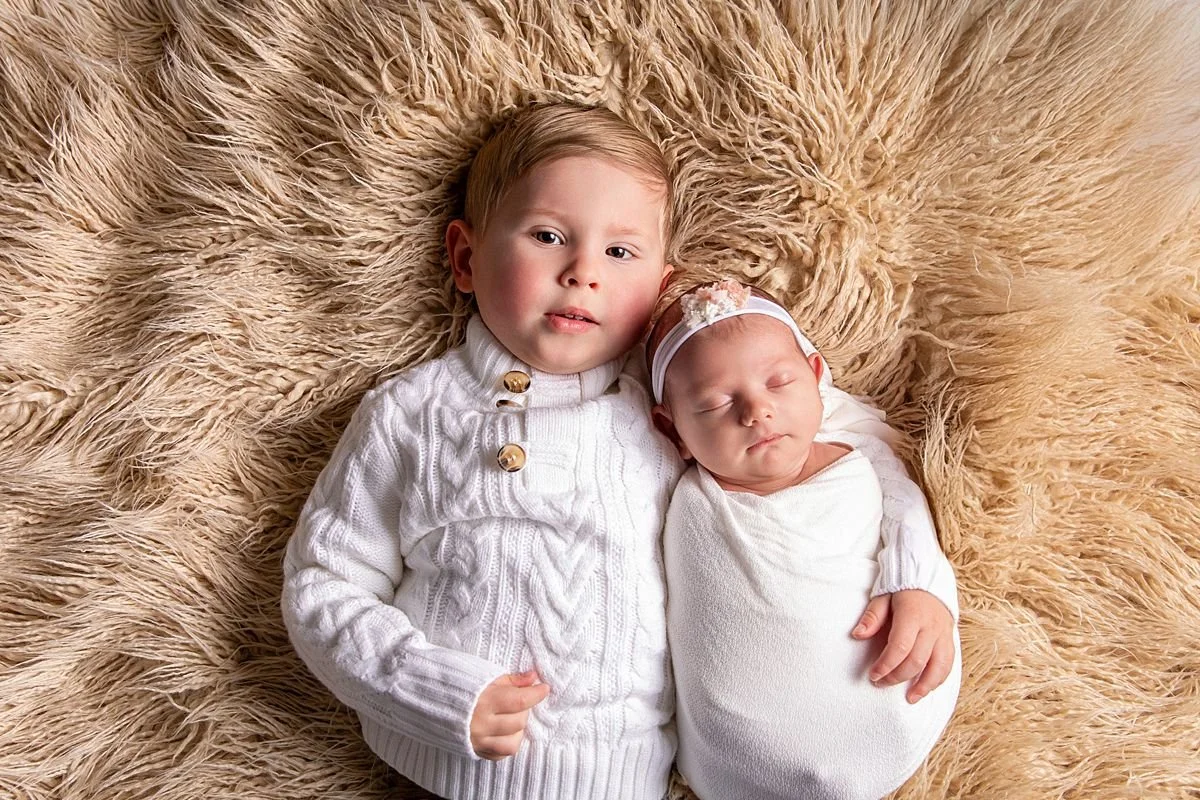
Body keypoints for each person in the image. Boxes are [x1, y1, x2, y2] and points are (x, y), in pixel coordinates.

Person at [282, 102, 954, 800]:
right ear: (465, 257)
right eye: (547, 236)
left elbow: (866, 441)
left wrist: (913, 576)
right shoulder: (413, 413)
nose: (582, 272)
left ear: (660, 285)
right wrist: (429, 688)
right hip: (448, 766)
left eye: (620, 252)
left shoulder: (682, 401)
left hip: (630, 776)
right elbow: (321, 584)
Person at [647, 279, 961, 800]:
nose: (756, 412)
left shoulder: (860, 459)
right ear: (672, 429)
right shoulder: (682, 498)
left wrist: (918, 588)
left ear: (816, 378)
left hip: (882, 700)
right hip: (740, 744)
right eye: (714, 404)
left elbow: (908, 520)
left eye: (779, 382)